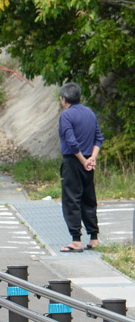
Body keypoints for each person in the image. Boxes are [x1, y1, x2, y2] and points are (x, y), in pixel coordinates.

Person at [58, 82, 103, 252]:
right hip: (89, 163)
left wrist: (82, 160)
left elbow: (71, 141)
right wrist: (92, 158)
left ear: (64, 99)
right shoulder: (89, 112)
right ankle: (94, 237)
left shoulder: (66, 116)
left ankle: (76, 240)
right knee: (89, 199)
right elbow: (98, 138)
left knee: (72, 199)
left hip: (73, 161)